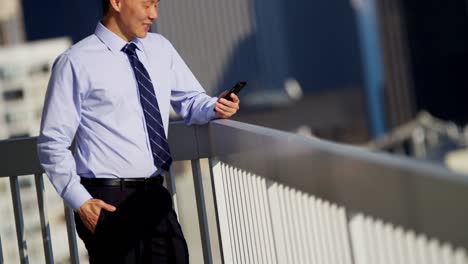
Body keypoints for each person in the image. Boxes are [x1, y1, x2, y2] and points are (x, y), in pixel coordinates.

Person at [37, 0, 240, 262]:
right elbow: (51, 143)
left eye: (156, 4)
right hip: (108, 201)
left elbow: (191, 101)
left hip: (155, 196)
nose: (154, 14)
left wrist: (216, 106)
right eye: (147, 5)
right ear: (117, 3)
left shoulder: (160, 48)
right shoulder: (75, 62)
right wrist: (81, 203)